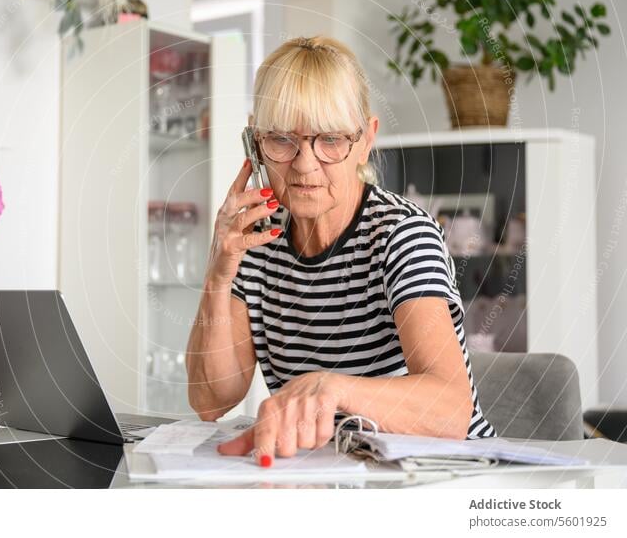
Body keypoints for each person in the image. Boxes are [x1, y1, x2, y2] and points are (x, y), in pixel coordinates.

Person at [185, 35, 496, 468]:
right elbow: (209, 399)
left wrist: (333, 388)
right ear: (255, 143)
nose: (305, 164)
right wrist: (218, 275)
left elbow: (450, 409)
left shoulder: (402, 235)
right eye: (281, 140)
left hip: (442, 477)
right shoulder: (255, 244)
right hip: (332, 477)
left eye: (330, 139)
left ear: (365, 140)